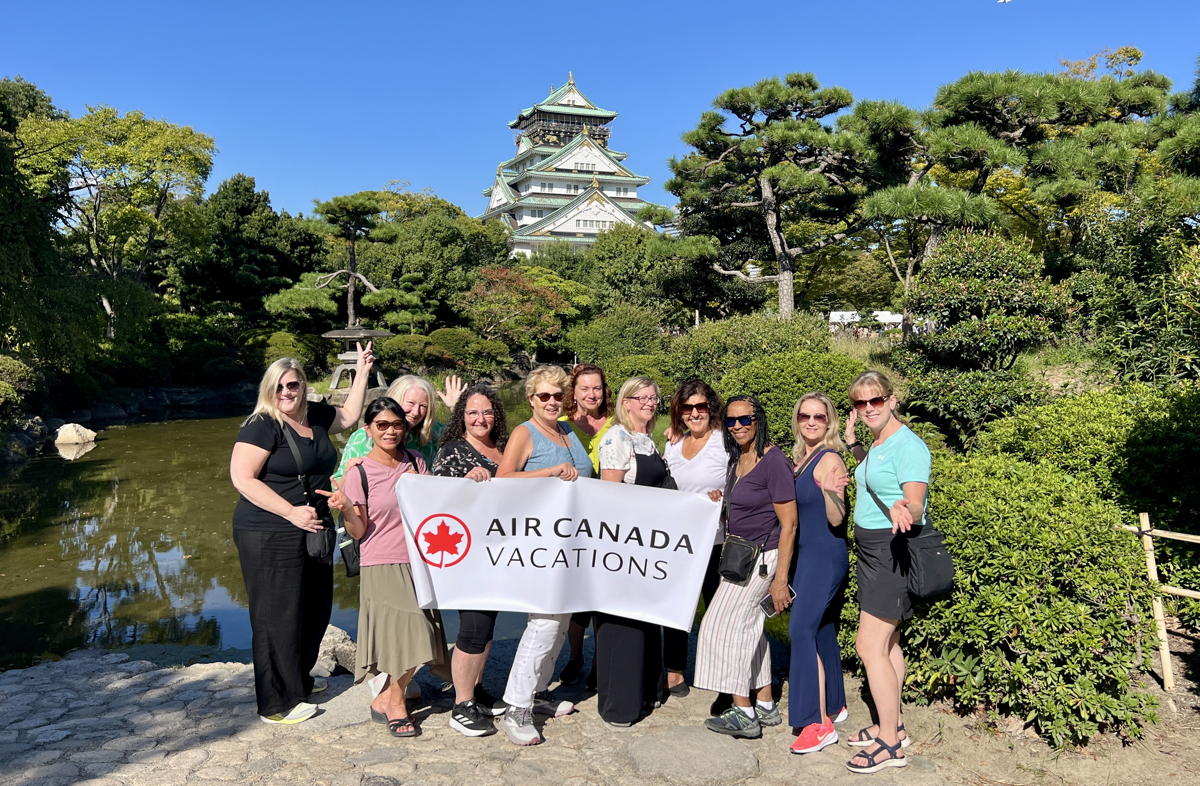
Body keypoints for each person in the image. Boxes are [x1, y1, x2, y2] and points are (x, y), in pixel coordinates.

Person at [228, 345, 373, 725]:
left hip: (313, 527)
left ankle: (300, 681)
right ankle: (276, 703)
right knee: (277, 614)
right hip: (269, 530)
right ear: (268, 390)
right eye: (279, 387)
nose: (286, 393)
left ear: (304, 386)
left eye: (292, 385)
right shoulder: (262, 425)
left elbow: (352, 416)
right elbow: (241, 479)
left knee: (314, 606)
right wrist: (290, 511)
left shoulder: (315, 415)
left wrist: (361, 370)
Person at [494, 365, 592, 745]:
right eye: (544, 396)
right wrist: (550, 472)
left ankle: (536, 693)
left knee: (561, 619)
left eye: (557, 396)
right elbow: (503, 479)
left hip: (572, 544)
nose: (552, 402)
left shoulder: (567, 431)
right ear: (531, 399)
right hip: (541, 545)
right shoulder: (525, 432)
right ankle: (516, 705)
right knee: (544, 624)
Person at [842, 371, 930, 774]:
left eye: (875, 400)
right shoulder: (879, 443)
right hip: (874, 551)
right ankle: (891, 724)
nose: (868, 409)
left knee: (868, 647)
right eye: (860, 404)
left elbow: (913, 502)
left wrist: (905, 510)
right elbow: (876, 476)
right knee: (889, 644)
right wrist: (853, 445)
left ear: (892, 400)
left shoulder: (909, 446)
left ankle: (890, 746)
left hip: (891, 550)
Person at [694, 395, 797, 739]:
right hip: (741, 557)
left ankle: (743, 711)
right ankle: (765, 703)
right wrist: (719, 501)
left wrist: (781, 578)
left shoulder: (773, 461)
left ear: (758, 420)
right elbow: (744, 506)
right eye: (730, 421)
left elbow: (790, 524)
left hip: (763, 560)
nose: (737, 426)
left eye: (744, 420)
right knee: (751, 627)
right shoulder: (738, 459)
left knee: (721, 626)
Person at [432, 384, 509, 738]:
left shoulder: (504, 449)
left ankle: (476, 690)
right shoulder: (452, 451)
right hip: (467, 553)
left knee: (488, 625)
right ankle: (461, 704)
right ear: (461, 415)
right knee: (474, 627)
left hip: (500, 552)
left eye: (488, 411)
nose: (481, 418)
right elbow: (434, 501)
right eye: (473, 412)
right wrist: (465, 482)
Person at [593, 376, 670, 726]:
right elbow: (610, 498)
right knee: (621, 624)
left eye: (654, 398)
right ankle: (619, 705)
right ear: (626, 402)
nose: (650, 403)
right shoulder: (616, 438)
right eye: (642, 398)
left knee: (644, 620)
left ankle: (644, 691)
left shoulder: (648, 440)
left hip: (648, 546)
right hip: (622, 546)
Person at [786, 393, 851, 755]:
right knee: (824, 629)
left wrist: (829, 493)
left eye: (819, 417)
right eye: (805, 416)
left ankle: (816, 721)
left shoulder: (829, 459)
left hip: (823, 556)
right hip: (807, 556)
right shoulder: (803, 457)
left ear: (830, 422)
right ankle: (836, 704)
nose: (811, 422)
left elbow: (837, 518)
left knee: (801, 630)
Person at [661, 379, 728, 698]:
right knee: (677, 609)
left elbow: (743, 482)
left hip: (717, 542)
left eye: (701, 406)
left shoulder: (724, 442)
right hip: (680, 544)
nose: (694, 413)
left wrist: (724, 499)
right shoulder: (672, 445)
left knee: (716, 609)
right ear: (679, 412)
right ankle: (674, 672)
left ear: (711, 408)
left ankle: (717, 671)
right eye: (687, 408)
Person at [558, 363, 615, 683]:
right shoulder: (562, 425)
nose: (591, 394)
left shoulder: (617, 423)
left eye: (596, 388)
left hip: (608, 524)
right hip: (573, 524)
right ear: (574, 392)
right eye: (584, 388)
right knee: (576, 598)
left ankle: (599, 662)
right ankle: (576, 655)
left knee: (601, 596)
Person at [334, 374, 465, 475]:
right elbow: (338, 484)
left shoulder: (432, 431)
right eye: (410, 403)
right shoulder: (364, 436)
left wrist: (456, 408)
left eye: (423, 406)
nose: (416, 412)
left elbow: (466, 444)